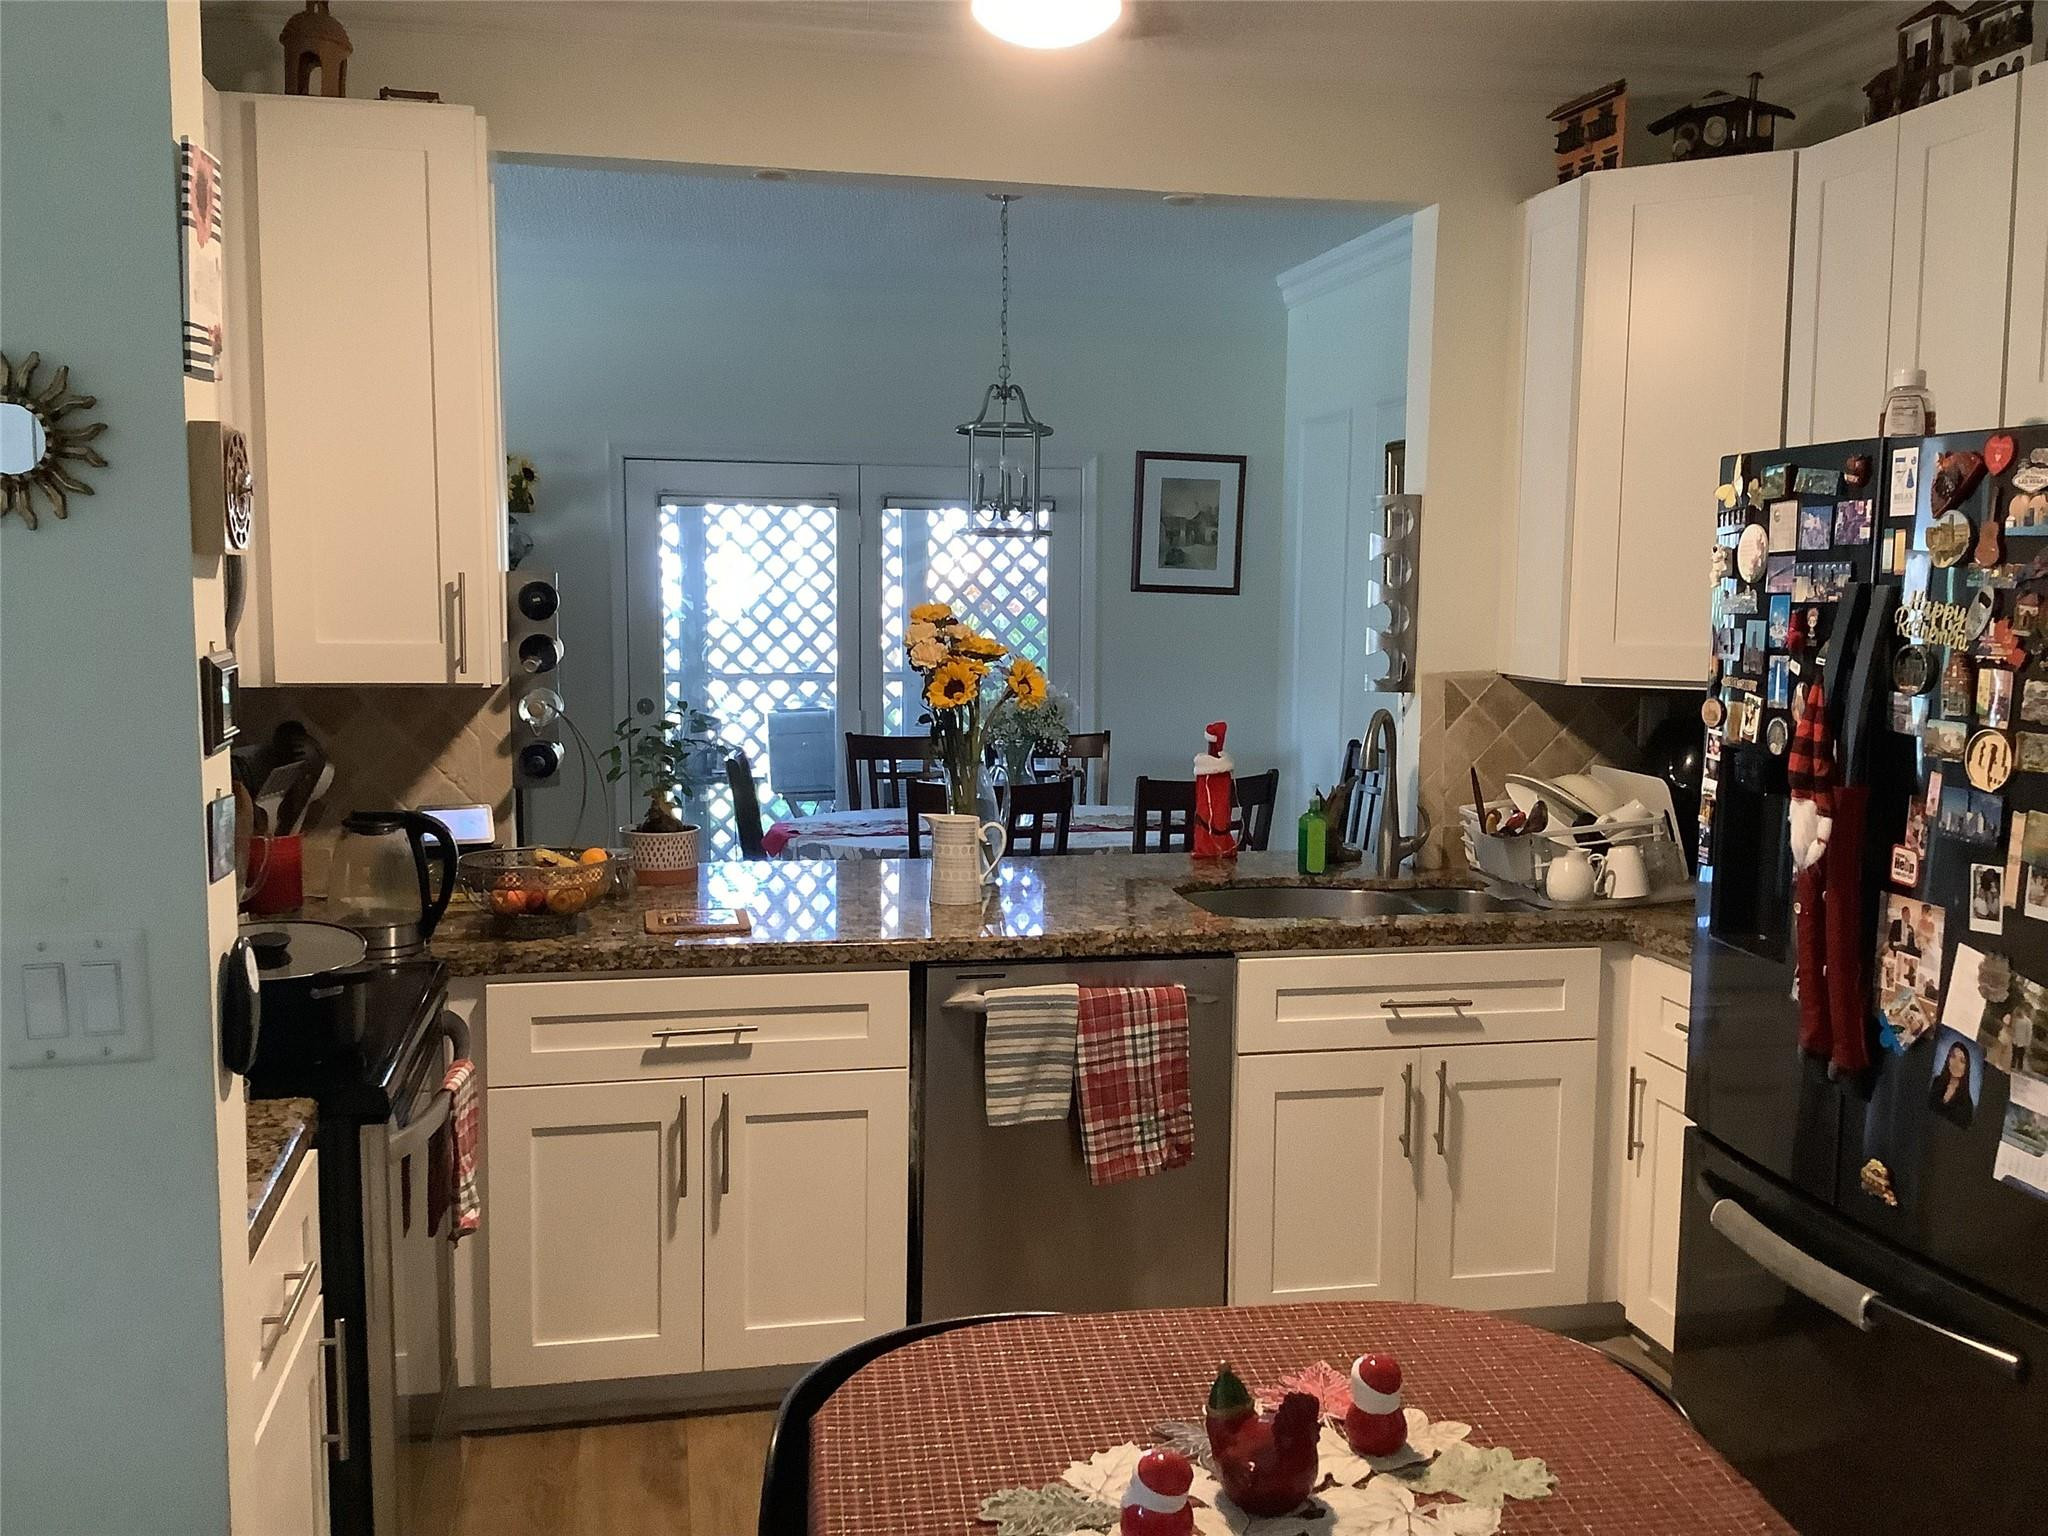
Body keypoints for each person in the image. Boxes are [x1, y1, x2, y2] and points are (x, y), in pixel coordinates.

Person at [1929, 1040, 1975, 1128]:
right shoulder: (1936, 1082)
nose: (1956, 1064)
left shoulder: (1967, 1102)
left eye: (1962, 1061)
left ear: (1966, 1066)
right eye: (1953, 1056)